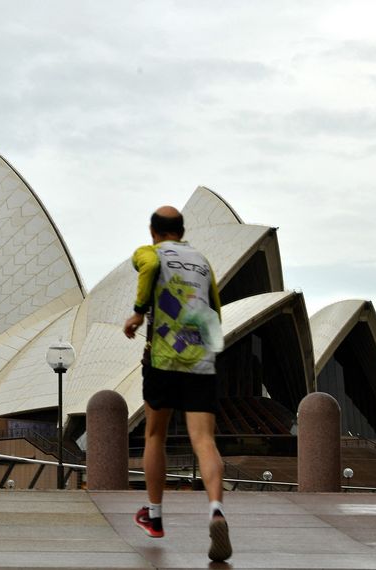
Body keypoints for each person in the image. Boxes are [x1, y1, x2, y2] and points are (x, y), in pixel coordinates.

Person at [123, 205, 232, 562]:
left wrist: (139, 311)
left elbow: (151, 268)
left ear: (153, 231)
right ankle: (216, 507)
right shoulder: (202, 261)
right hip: (200, 360)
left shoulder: (149, 253)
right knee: (205, 440)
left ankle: (154, 516)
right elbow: (216, 309)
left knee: (156, 434)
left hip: (164, 357)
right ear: (182, 231)